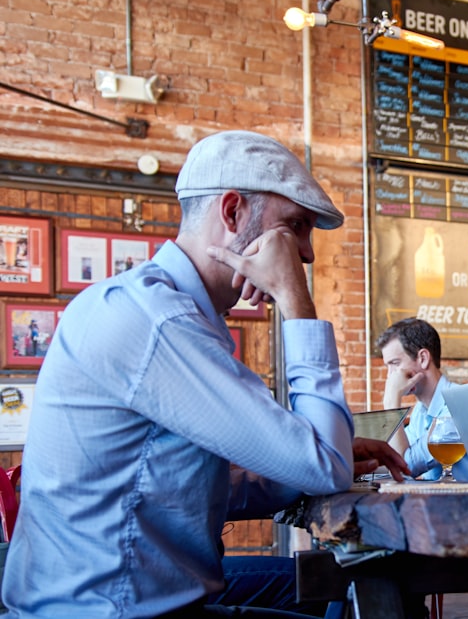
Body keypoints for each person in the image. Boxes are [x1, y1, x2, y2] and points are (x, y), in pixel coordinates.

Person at [2, 131, 408, 619]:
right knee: (371, 591)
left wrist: (313, 466)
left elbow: (190, 489)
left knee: (339, 580)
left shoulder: (168, 311)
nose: (306, 255)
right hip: (112, 611)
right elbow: (324, 464)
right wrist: (297, 304)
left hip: (116, 598)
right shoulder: (160, 322)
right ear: (232, 212)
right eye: (295, 226)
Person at [376, 318, 468, 482]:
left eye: (394, 364)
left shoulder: (459, 403)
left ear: (423, 358)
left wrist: (391, 402)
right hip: (442, 502)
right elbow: (392, 455)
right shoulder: (420, 411)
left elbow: (403, 468)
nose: (389, 376)